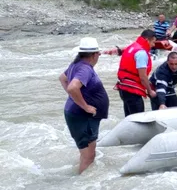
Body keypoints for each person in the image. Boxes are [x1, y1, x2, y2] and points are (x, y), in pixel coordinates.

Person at [59, 37, 109, 174]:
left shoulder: (76, 64)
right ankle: (82, 184)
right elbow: (72, 88)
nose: (99, 55)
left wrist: (75, 99)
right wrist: (85, 106)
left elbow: (62, 78)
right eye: (98, 53)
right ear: (93, 55)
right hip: (82, 116)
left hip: (77, 115)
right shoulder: (85, 69)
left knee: (85, 154)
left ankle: (80, 179)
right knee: (89, 156)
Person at [115, 29, 157, 117]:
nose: (154, 45)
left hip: (123, 88)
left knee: (129, 117)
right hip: (132, 90)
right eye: (153, 42)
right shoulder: (141, 53)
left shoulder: (132, 47)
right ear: (147, 40)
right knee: (138, 118)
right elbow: (142, 77)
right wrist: (150, 91)